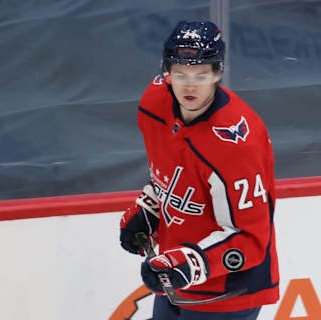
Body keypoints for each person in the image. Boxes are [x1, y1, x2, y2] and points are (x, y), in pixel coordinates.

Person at [119, 21, 279, 320]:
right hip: (175, 276)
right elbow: (169, 173)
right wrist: (151, 208)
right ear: (166, 72)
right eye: (180, 74)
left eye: (201, 74)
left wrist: (191, 263)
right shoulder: (154, 103)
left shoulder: (236, 142)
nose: (189, 85)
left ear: (218, 73)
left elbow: (252, 239)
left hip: (229, 290)